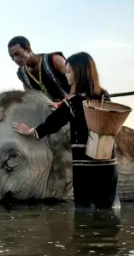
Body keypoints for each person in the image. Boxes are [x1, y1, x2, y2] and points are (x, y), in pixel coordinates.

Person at [10, 52, 118, 209]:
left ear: (79, 73)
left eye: (69, 72)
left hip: (85, 164)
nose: (66, 76)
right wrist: (63, 107)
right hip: (108, 161)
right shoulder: (104, 96)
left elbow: (52, 124)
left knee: (84, 209)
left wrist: (31, 131)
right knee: (107, 208)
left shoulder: (73, 102)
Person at [7, 36, 71, 106]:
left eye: (17, 54)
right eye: (12, 57)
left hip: (73, 104)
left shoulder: (54, 59)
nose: (15, 59)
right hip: (50, 110)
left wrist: (62, 103)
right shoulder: (22, 74)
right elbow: (31, 95)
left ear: (28, 49)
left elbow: (77, 82)